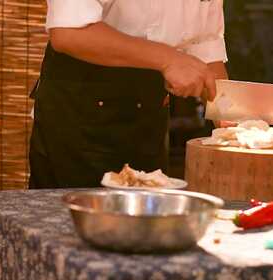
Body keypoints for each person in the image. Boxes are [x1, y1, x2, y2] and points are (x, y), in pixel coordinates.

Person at [29, 0, 229, 189]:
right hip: (80, 114)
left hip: (149, 117)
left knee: (150, 217)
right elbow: (69, 32)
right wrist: (168, 60)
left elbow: (205, 45)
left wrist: (233, 123)